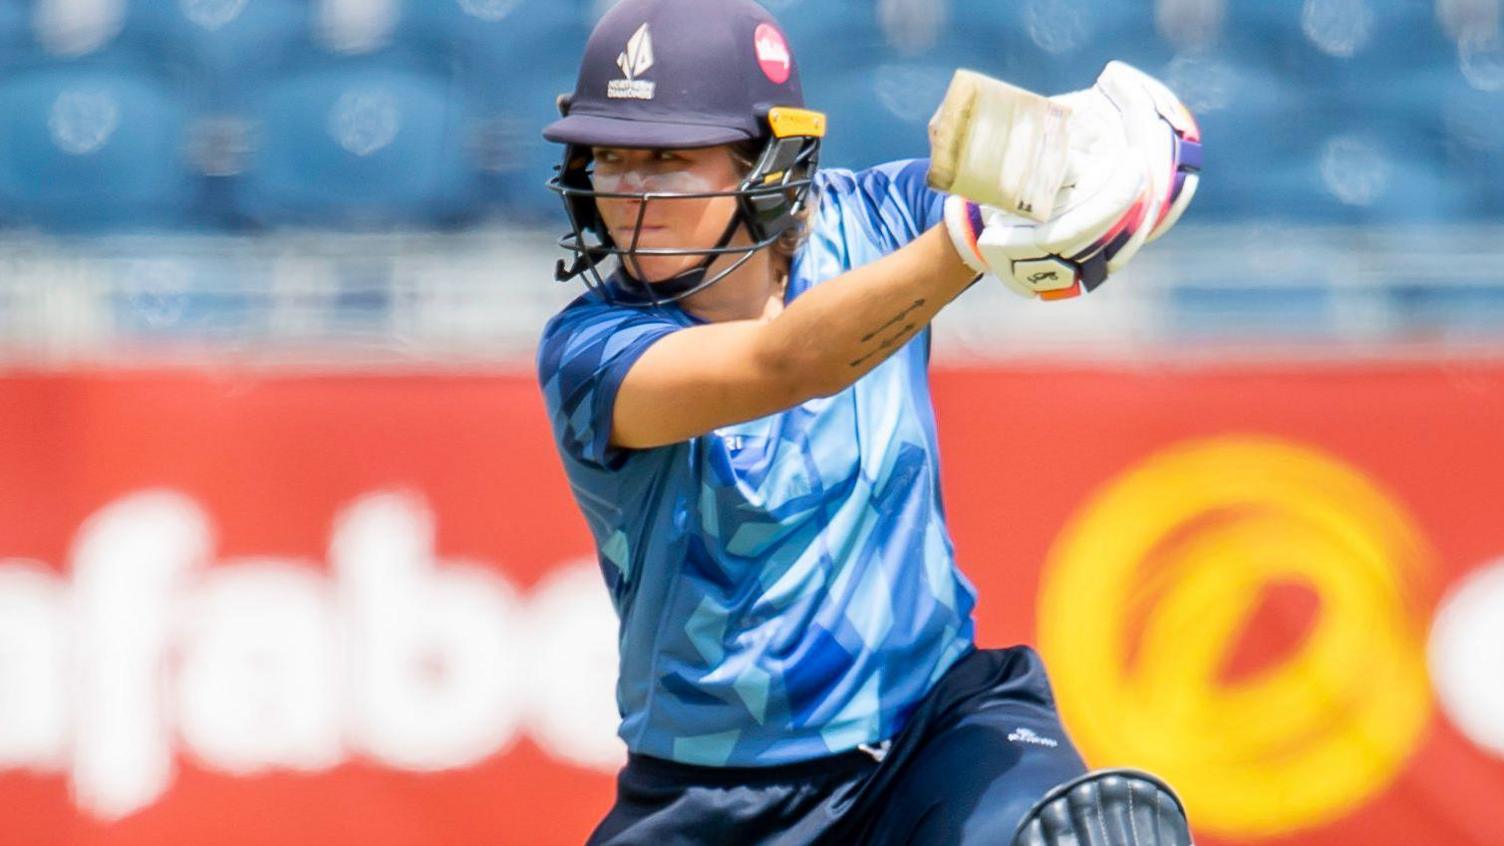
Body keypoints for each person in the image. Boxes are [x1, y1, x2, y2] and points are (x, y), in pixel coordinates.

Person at [536, 1, 1201, 843]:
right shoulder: (592, 350)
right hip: (715, 799)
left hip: (936, 731)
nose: (631, 190)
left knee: (1089, 834)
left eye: (669, 156)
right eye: (610, 157)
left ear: (770, 162)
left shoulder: (875, 219)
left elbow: (1070, 158)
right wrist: (971, 232)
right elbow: (788, 362)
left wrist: (1118, 148)